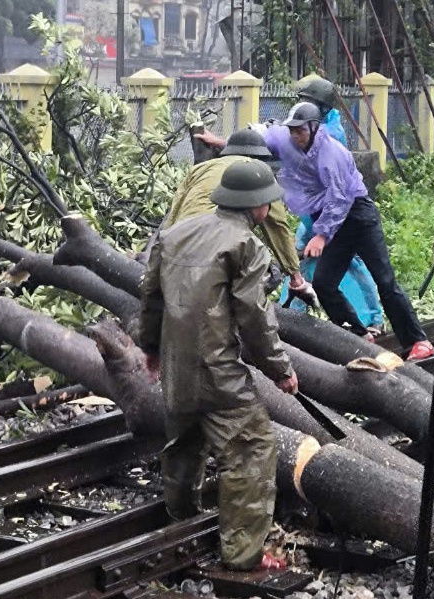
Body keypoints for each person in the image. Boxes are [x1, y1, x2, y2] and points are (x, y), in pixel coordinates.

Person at [139, 160, 298, 571]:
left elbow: (151, 296)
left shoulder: (173, 234)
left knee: (183, 441)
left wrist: (151, 348)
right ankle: (244, 555)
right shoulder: (247, 246)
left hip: (176, 367)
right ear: (258, 207)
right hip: (219, 371)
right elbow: (255, 318)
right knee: (251, 447)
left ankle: (179, 520)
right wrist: (280, 369)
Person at [260, 102, 434, 358]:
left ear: (314, 127)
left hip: (358, 218)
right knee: (323, 283)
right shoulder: (291, 142)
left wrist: (321, 235)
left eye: (301, 131)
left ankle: (417, 342)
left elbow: (340, 198)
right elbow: (262, 136)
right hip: (335, 225)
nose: (296, 136)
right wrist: (220, 143)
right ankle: (358, 334)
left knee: (384, 280)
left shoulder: (332, 153)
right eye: (293, 131)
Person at [163, 128, 311, 296]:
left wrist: (163, 248)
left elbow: (175, 209)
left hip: (178, 243)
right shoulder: (260, 173)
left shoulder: (200, 169)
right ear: (260, 157)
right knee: (264, 270)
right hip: (218, 247)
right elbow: (277, 226)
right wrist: (296, 277)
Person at [280, 214, 385, 335]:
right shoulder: (306, 225)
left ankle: (372, 320)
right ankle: (289, 319)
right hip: (314, 226)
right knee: (299, 275)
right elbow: (297, 254)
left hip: (339, 222)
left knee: (353, 267)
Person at [295, 75, 348, 146]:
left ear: (324, 108)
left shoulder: (332, 134)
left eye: (308, 102)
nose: (304, 107)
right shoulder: (317, 124)